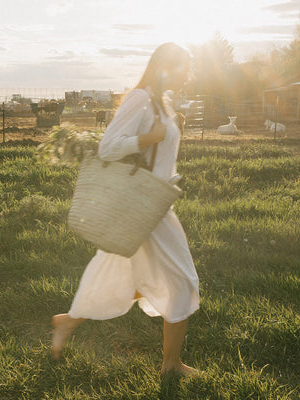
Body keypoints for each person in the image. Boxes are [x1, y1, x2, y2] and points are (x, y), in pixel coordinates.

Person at [52, 42, 200, 376]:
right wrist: (148, 139)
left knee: (123, 274)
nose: (188, 74)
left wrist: (167, 132)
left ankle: (67, 321)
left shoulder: (163, 102)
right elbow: (108, 147)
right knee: (182, 281)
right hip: (145, 204)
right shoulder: (140, 98)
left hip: (155, 203)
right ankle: (171, 365)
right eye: (183, 67)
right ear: (165, 66)